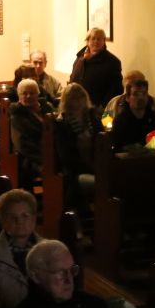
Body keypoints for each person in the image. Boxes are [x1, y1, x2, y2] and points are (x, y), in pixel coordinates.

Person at [54, 82, 98, 212]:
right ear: (67, 101)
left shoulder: (93, 118)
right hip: (75, 171)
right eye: (74, 98)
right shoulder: (62, 124)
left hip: (96, 165)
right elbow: (66, 156)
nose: (78, 102)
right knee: (100, 184)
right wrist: (90, 168)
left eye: (81, 97)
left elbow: (101, 143)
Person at [108, 70, 155, 149]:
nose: (140, 97)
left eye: (144, 93)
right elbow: (117, 148)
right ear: (128, 97)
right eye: (135, 94)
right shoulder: (120, 121)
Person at [69, 27, 122, 108]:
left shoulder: (112, 62)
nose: (96, 41)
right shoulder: (80, 57)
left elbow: (116, 89)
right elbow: (73, 77)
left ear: (104, 41)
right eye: (93, 38)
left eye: (99, 39)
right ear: (88, 41)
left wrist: (102, 106)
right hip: (76, 105)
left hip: (97, 108)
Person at [9, 77, 47, 190]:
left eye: (32, 93)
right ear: (19, 96)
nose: (28, 96)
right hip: (30, 158)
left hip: (50, 152)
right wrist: (45, 158)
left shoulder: (46, 109)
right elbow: (22, 144)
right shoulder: (17, 116)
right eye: (24, 93)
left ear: (38, 94)